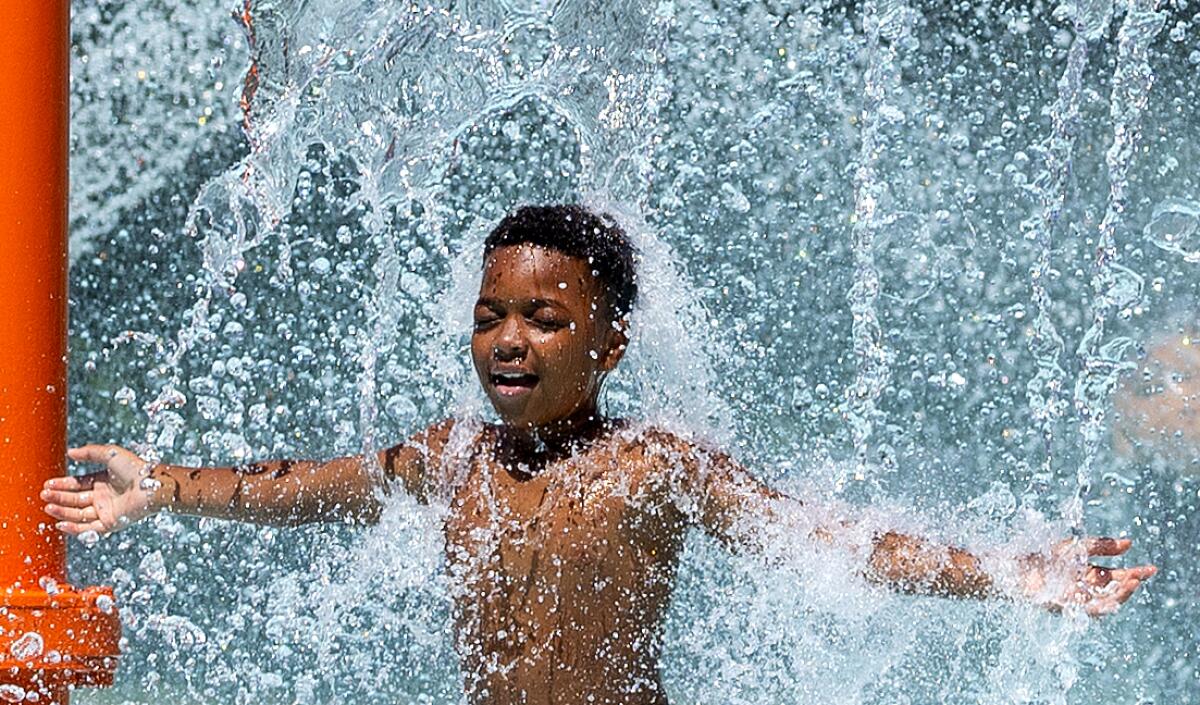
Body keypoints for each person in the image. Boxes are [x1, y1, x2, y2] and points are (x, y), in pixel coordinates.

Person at [43, 205, 1155, 705]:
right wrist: (166, 488)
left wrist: (1018, 575)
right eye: (490, 317)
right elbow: (304, 489)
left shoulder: (655, 466)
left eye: (545, 318)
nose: (509, 341)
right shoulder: (453, 459)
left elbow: (833, 544)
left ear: (610, 341)